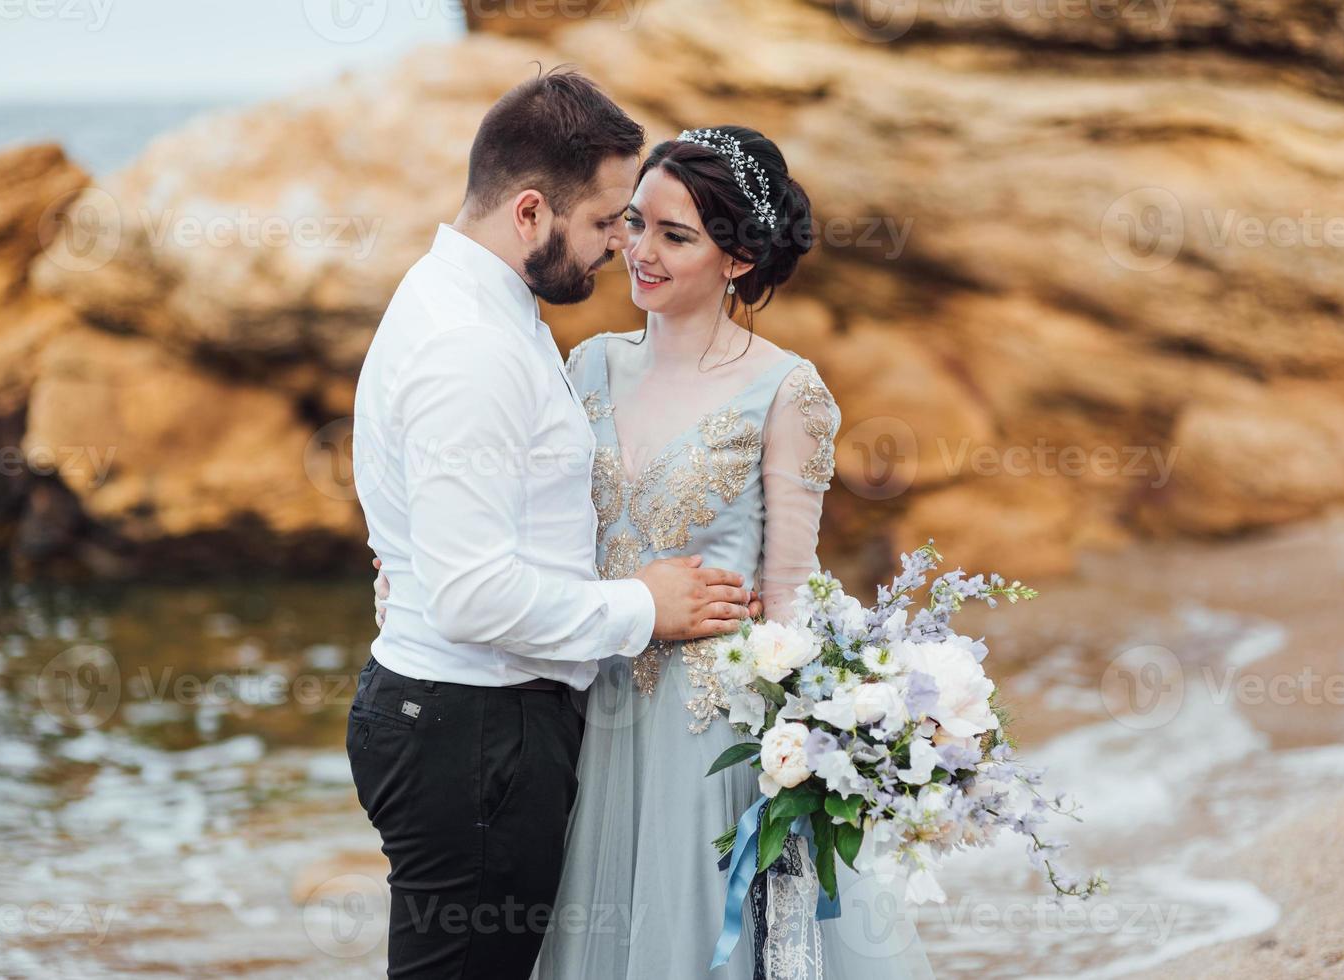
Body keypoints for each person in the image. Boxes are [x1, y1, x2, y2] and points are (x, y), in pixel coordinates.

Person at [380, 124, 935, 978]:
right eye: (634, 223)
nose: (638, 251)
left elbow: (791, 589)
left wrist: (822, 736)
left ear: (738, 259)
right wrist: (417, 572)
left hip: (712, 736)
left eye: (675, 237)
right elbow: (521, 516)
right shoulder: (587, 366)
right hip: (589, 710)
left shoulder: (788, 391)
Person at [348, 71, 762, 980]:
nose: (623, 244)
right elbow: (471, 596)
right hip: (474, 733)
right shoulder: (474, 348)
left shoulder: (476, 303)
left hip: (462, 718)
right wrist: (642, 607)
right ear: (531, 212)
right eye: (610, 220)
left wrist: (411, 562)